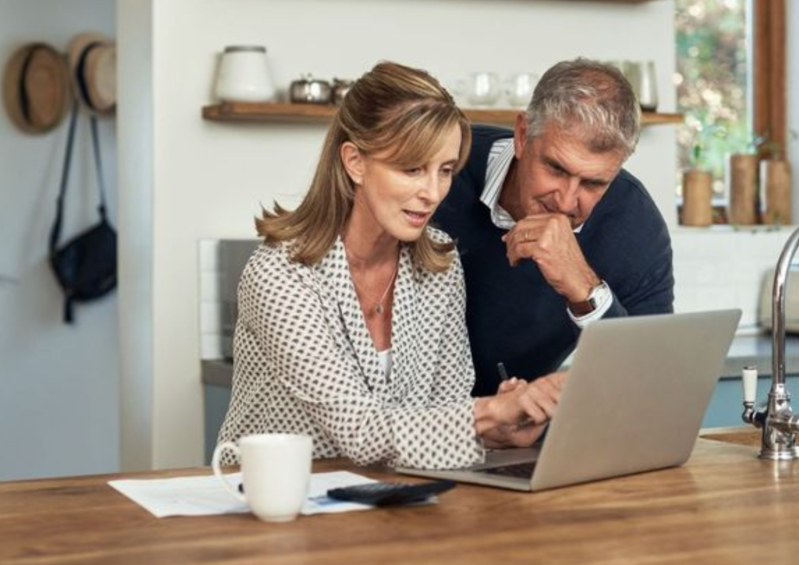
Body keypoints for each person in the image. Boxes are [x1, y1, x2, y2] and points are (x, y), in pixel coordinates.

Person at [217, 62, 561, 471]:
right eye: (412, 168)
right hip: (276, 502)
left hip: (393, 501)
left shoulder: (440, 266)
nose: (433, 193)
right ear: (355, 162)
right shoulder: (280, 275)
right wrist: (488, 414)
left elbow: (444, 410)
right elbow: (359, 430)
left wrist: (496, 432)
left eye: (446, 170)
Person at [434, 58, 674, 398]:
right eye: (556, 169)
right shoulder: (443, 170)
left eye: (593, 183)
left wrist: (586, 291)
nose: (566, 201)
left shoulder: (634, 224)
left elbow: (651, 383)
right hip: (410, 428)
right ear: (521, 135)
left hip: (519, 435)